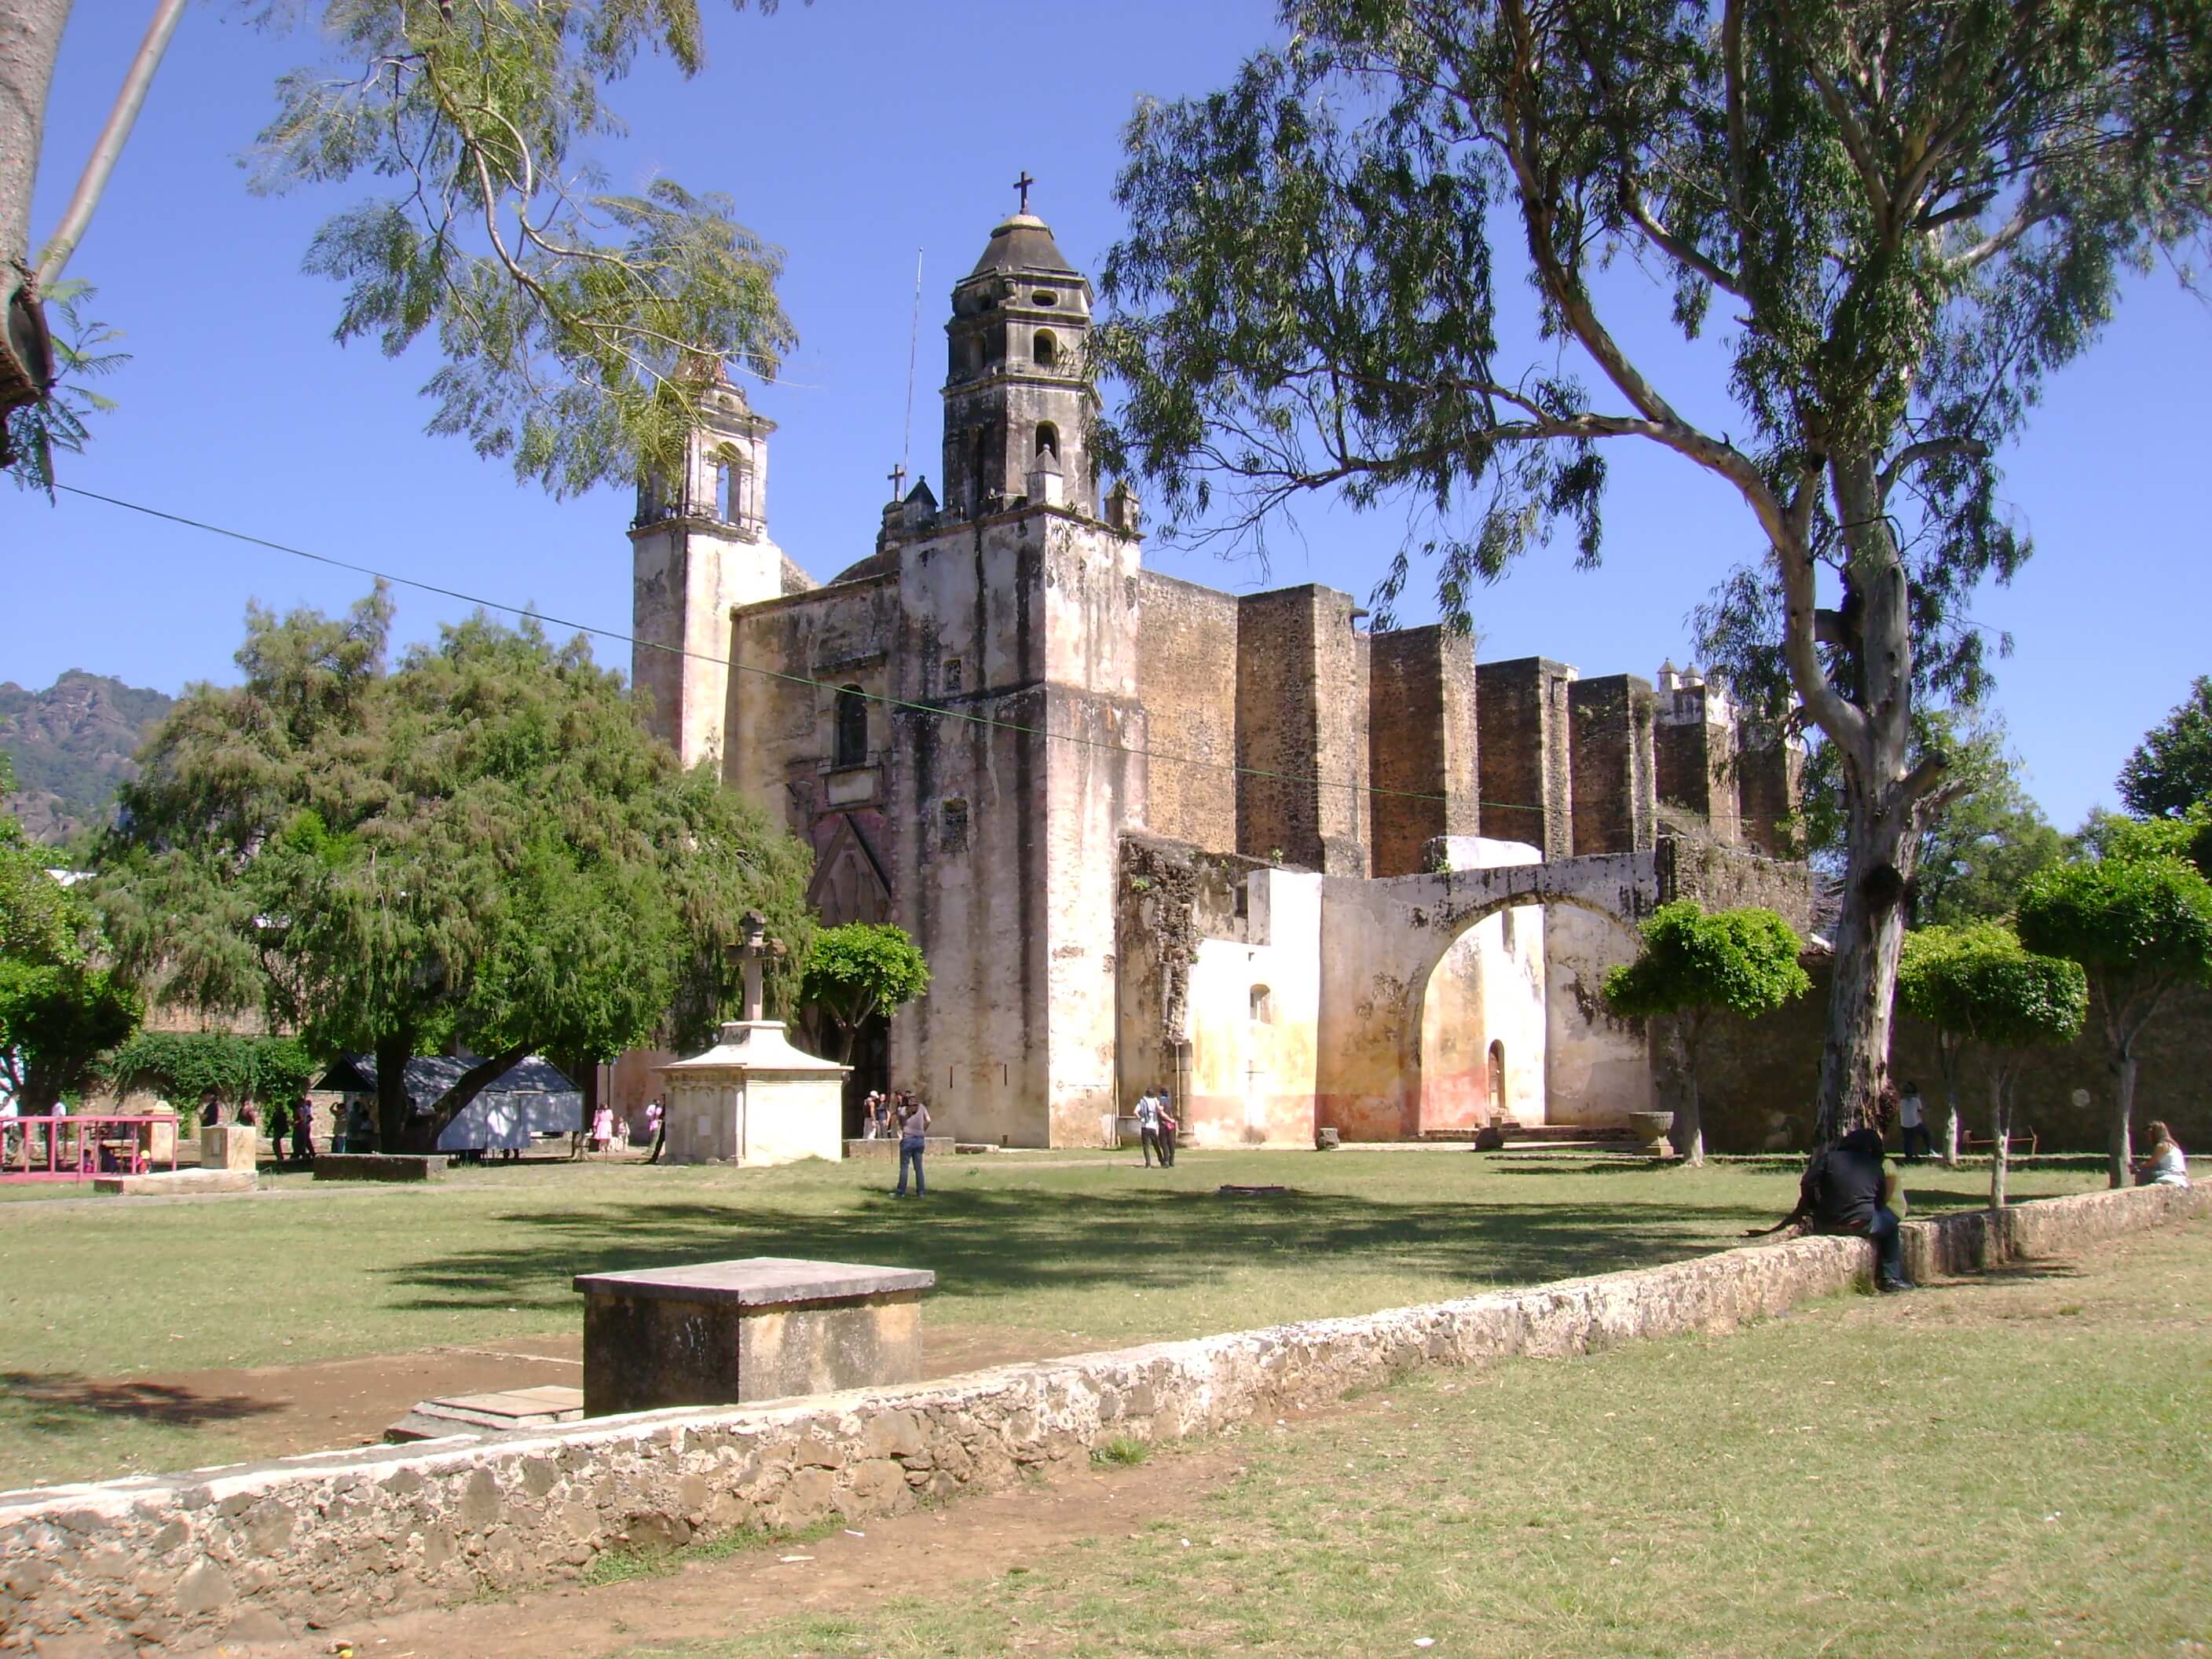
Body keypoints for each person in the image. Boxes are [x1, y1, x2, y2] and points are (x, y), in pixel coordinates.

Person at [1749, 1123, 1914, 1291]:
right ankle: (1890, 1278)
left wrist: (1812, 1204)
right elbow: (1879, 1202)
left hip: (1825, 1222)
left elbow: (1807, 1182)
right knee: (1892, 1228)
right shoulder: (1875, 1166)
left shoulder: (1829, 1158)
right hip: (1861, 1223)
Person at [892, 1093, 931, 1197]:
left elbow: (899, 1123)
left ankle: (901, 1192)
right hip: (919, 1139)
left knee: (904, 1167)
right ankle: (921, 1192)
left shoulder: (902, 1110)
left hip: (908, 1140)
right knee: (918, 1167)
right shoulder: (922, 1107)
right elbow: (928, 1120)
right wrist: (923, 1130)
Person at [2138, 1121, 2190, 1188]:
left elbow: (2152, 1162)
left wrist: (2139, 1165)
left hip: (2171, 1174)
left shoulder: (2161, 1145)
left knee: (2143, 1172)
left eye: (2149, 1134)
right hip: (2181, 1174)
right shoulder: (2173, 1145)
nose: (2148, 1138)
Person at [1897, 1082, 1931, 1163]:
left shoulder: (1901, 1102)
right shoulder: (1916, 1100)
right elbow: (1920, 1111)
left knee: (1908, 1141)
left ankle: (1909, 1156)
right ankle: (1929, 1150)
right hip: (1914, 1124)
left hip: (1904, 1124)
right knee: (1926, 1134)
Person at [1134, 1087, 1163, 1167]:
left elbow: (1135, 1112)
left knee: (1146, 1146)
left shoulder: (1142, 1102)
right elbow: (1159, 1110)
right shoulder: (1155, 1101)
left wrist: (1140, 1118)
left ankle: (1148, 1163)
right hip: (1153, 1126)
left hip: (1145, 1126)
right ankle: (1162, 1161)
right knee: (1156, 1145)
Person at [1156, 1092, 1178, 1168]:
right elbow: (1171, 1113)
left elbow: (1161, 1112)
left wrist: (1168, 1119)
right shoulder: (1169, 1101)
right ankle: (1171, 1160)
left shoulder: (1161, 1101)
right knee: (1171, 1142)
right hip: (1171, 1126)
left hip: (1164, 1125)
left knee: (1164, 1143)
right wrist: (1172, 1120)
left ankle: (1166, 1161)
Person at [290, 1096, 314, 1163]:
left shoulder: (300, 1109)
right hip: (304, 1127)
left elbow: (302, 1118)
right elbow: (310, 1118)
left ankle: (300, 1154)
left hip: (301, 1127)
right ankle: (306, 1154)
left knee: (299, 1141)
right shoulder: (306, 1108)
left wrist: (296, 1122)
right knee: (305, 1141)